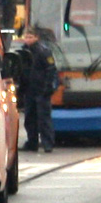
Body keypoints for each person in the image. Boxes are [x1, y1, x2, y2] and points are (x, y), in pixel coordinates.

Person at [20, 25, 59, 154]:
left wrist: (48, 87)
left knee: (44, 118)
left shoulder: (43, 51)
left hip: (41, 90)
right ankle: (32, 142)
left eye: (30, 37)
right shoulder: (23, 52)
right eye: (26, 37)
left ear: (36, 37)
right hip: (29, 90)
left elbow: (51, 69)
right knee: (29, 118)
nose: (27, 39)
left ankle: (48, 143)